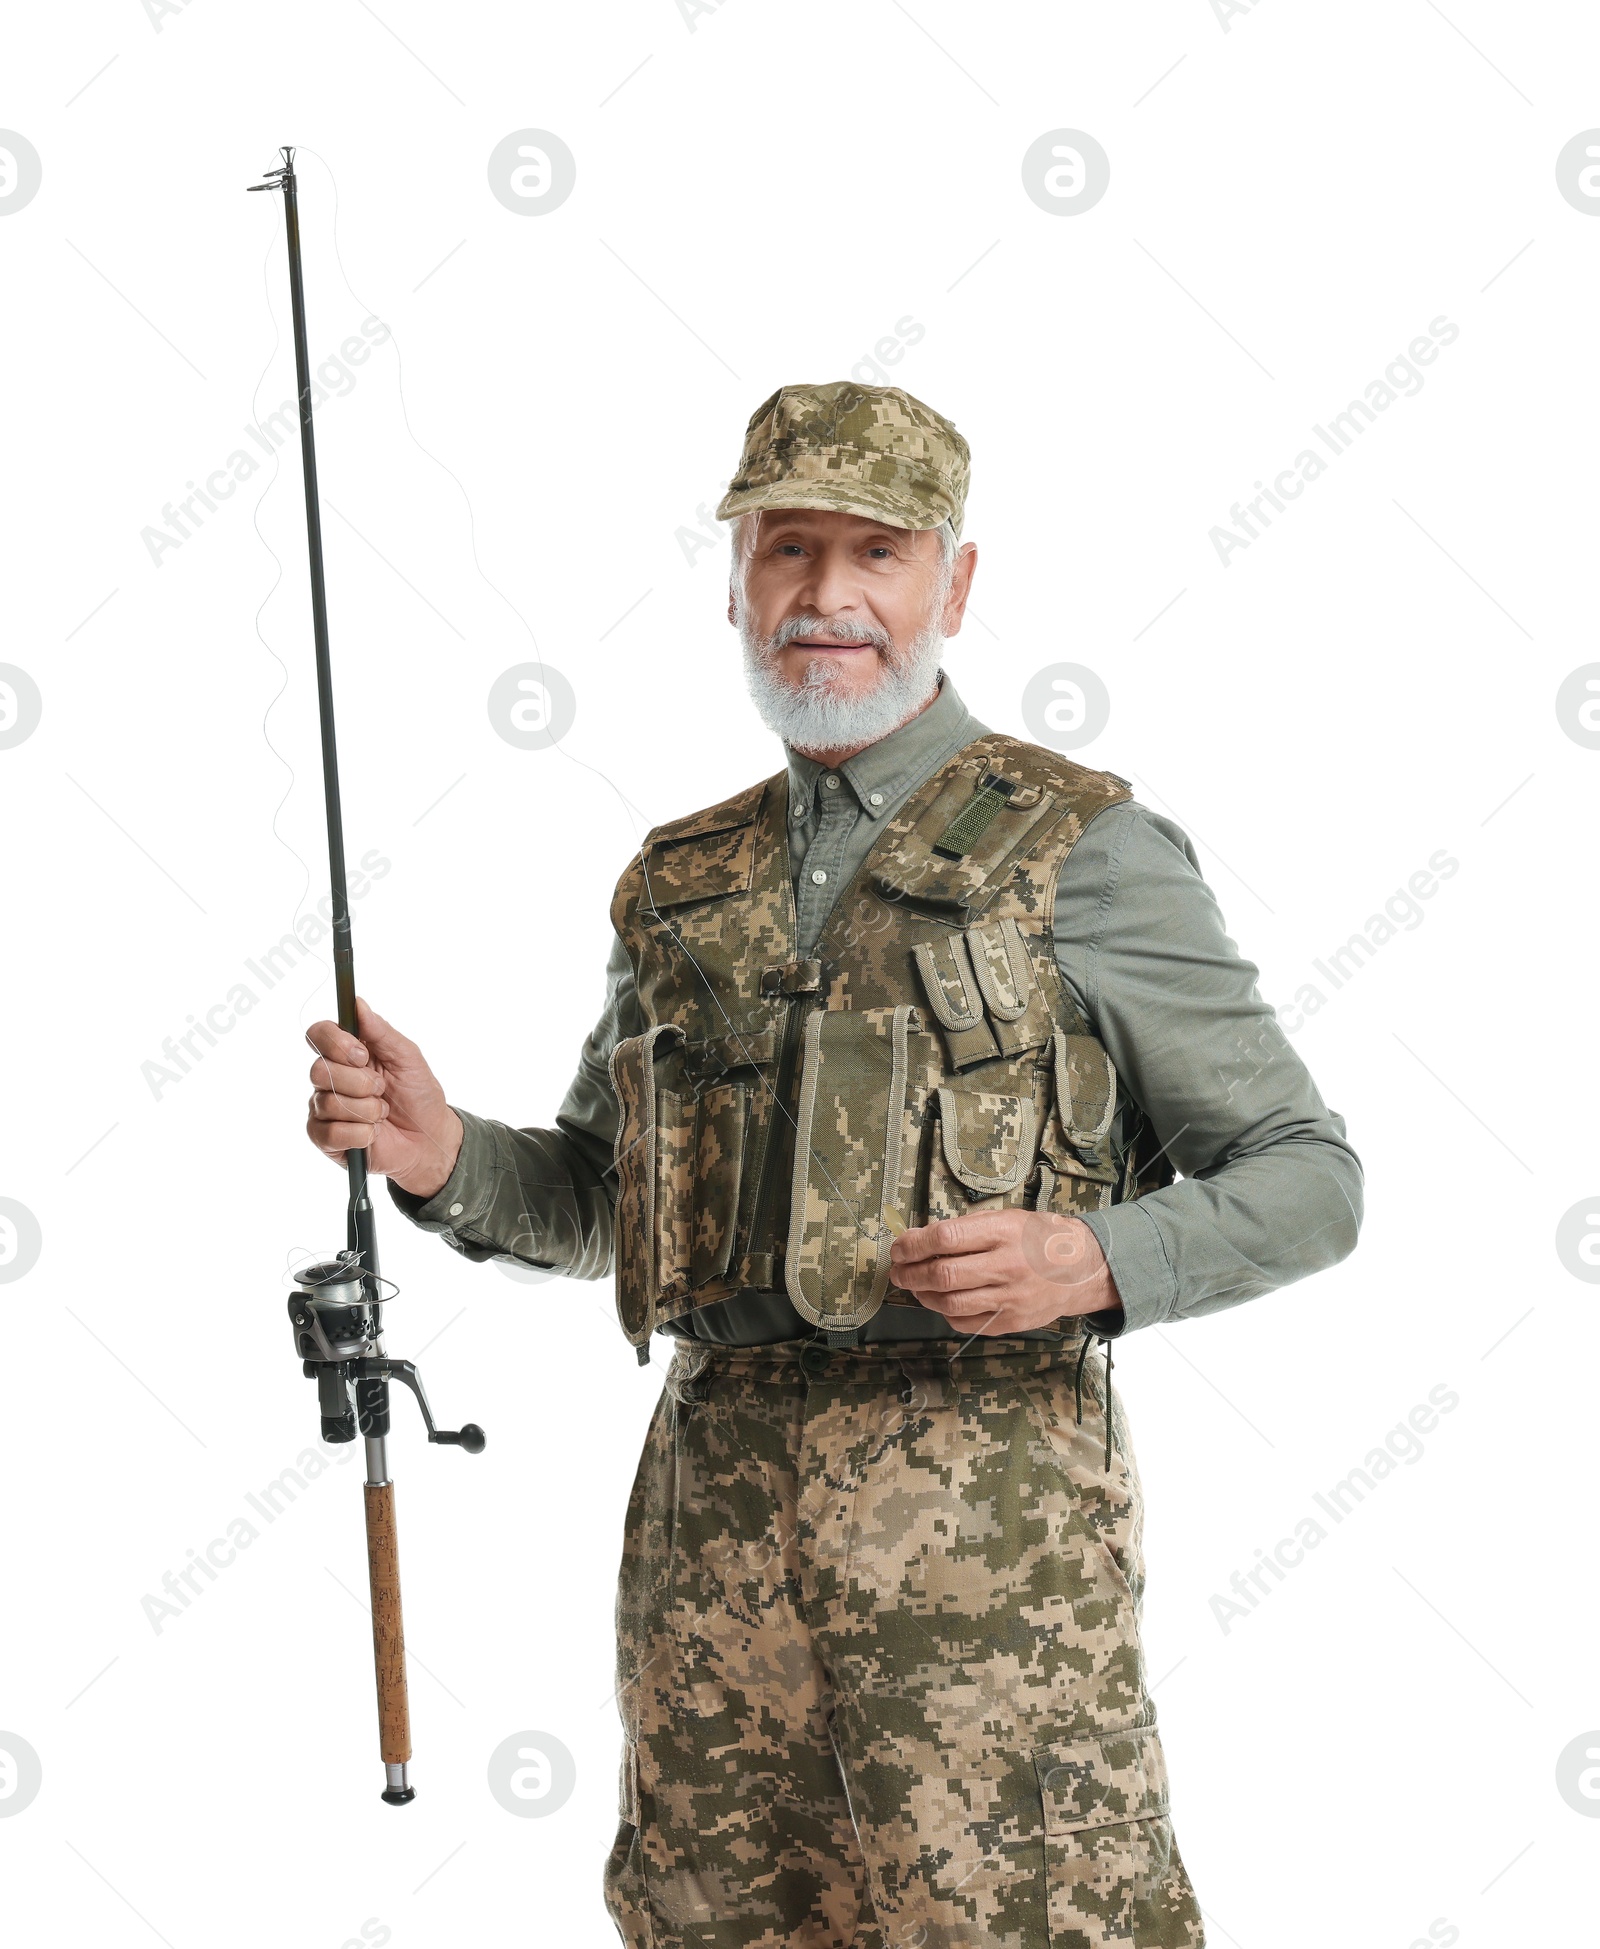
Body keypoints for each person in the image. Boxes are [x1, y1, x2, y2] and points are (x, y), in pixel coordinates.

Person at [305, 381, 1362, 1948]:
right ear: (734, 580)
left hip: (990, 1534)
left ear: (956, 581)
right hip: (712, 1533)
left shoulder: (1084, 848)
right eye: (789, 549)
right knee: (708, 1920)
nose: (827, 596)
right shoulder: (683, 881)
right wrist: (443, 1152)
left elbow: (1307, 1173)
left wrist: (1096, 1259)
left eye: (877, 550)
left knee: (1031, 1921)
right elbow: (609, 1201)